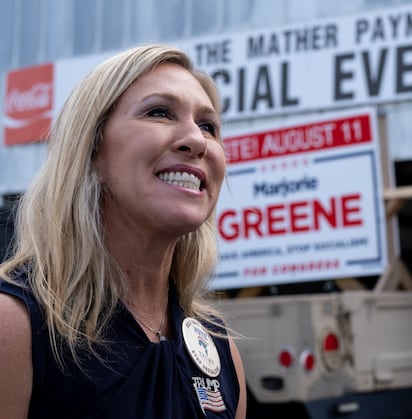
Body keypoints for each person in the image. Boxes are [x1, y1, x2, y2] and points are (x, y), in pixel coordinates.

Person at [0, 44, 246, 419]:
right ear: (93, 150)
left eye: (208, 126)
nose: (197, 140)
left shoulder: (218, 345)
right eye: (160, 112)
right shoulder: (15, 324)